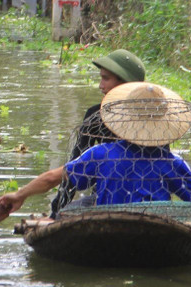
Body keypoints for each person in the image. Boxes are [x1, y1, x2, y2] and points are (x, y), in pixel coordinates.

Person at [0, 82, 191, 221]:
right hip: (157, 224)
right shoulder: (171, 162)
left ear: (124, 121)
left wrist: (18, 195)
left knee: (72, 211)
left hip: (109, 222)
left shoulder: (100, 154)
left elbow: (52, 178)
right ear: (164, 126)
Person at [50, 49, 146, 216]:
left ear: (125, 83)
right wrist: (59, 206)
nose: (101, 85)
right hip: (115, 199)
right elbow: (76, 165)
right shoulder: (96, 116)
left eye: (106, 79)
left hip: (129, 201)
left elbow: (74, 169)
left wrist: (56, 213)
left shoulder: (150, 118)